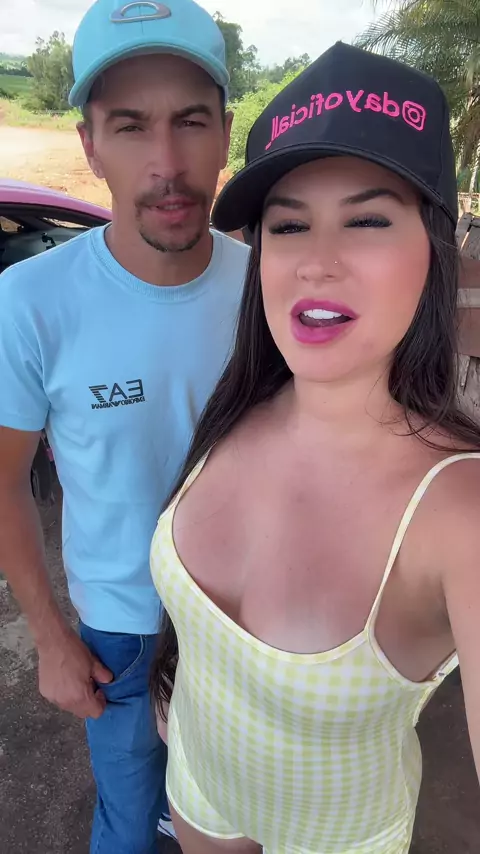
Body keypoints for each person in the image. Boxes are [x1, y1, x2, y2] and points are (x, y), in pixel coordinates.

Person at [150, 43, 480, 854]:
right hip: (197, 786)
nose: (317, 264)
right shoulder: (236, 403)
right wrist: (181, 693)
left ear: (434, 247)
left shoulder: (458, 510)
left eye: (367, 220)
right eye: (289, 225)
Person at [0, 1, 249, 852]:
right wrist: (50, 637)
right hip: (121, 635)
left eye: (191, 121)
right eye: (131, 126)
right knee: (131, 825)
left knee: (237, 826)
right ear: (89, 144)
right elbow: (4, 481)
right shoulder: (31, 302)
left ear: (225, 132)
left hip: (254, 626)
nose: (166, 164)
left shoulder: (273, 288)